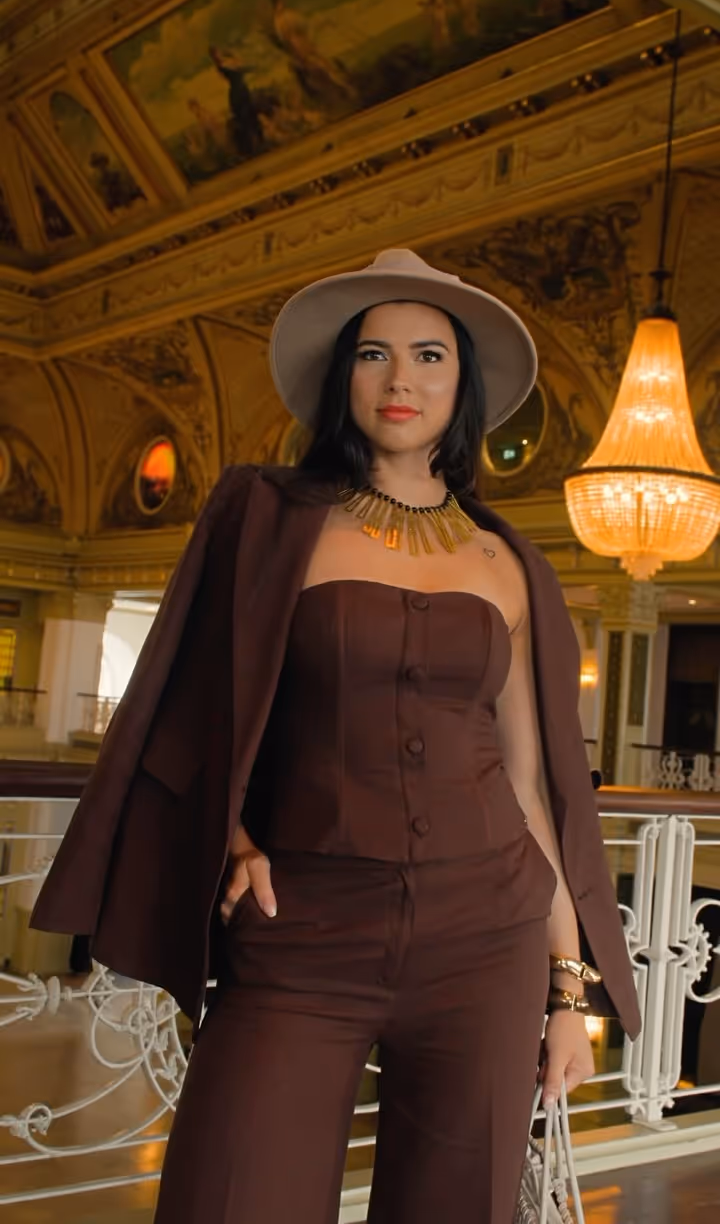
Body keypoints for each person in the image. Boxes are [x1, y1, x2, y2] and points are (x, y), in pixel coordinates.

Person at [30, 249, 641, 1223]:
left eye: (430, 356)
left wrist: (568, 991)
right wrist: (230, 835)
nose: (402, 379)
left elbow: (534, 787)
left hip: (489, 937)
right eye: (375, 355)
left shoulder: (509, 560)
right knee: (229, 1196)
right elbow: (185, 712)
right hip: (301, 928)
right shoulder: (266, 517)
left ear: (462, 383)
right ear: (342, 376)